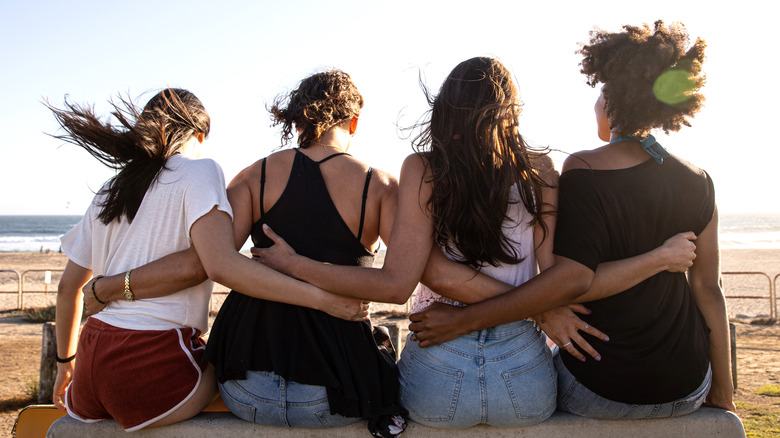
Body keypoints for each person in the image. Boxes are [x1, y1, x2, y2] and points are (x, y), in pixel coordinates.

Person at [254, 56, 698, 428]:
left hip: (437, 367)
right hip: (524, 373)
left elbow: (407, 280)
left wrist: (298, 265)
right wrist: (540, 308)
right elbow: (558, 274)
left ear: (446, 108)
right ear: (511, 111)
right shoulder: (540, 170)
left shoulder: (423, 168)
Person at [408, 22, 735, 419]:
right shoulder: (699, 180)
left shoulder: (583, 168)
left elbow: (574, 281)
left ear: (611, 100)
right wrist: (722, 386)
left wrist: (477, 316)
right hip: (687, 381)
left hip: (595, 382)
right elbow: (708, 290)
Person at [84, 71, 407, 437]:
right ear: (354, 121)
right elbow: (395, 285)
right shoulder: (380, 187)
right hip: (340, 391)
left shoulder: (255, 176)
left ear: (297, 118)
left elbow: (211, 261)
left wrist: (110, 286)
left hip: (244, 385)